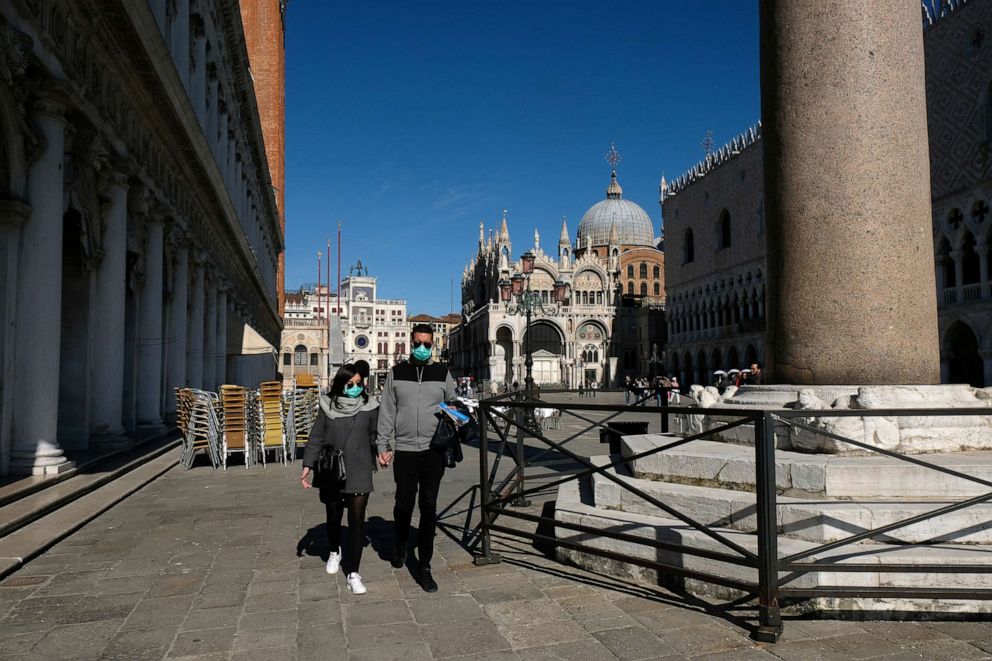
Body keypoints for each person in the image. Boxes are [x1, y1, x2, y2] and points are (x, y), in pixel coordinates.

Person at [377, 323, 455, 593]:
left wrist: (454, 414)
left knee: (429, 506)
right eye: (418, 343)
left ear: (434, 345)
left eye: (427, 344)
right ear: (410, 343)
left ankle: (424, 566)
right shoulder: (396, 373)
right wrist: (382, 444)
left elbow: (452, 402)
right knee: (403, 503)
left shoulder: (442, 372)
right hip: (406, 450)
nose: (422, 348)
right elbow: (387, 410)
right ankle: (400, 541)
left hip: (434, 450)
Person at [300, 364, 379, 595]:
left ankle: (353, 572)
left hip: (360, 469)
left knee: (357, 521)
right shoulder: (327, 405)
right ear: (340, 384)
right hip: (331, 469)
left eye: (359, 383)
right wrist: (307, 465)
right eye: (350, 384)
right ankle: (335, 550)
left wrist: (384, 450)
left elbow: (376, 435)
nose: (355, 388)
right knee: (333, 515)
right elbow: (316, 436)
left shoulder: (370, 406)